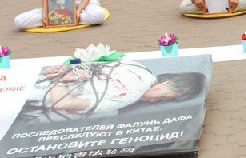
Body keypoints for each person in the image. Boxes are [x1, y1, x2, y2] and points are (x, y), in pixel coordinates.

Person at [25, 61, 205, 119]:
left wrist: (60, 77)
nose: (153, 101)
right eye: (163, 97)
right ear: (166, 83)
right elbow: (62, 103)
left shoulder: (136, 66)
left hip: (36, 93)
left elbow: (61, 103)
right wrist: (64, 72)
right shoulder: (131, 85)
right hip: (35, 87)